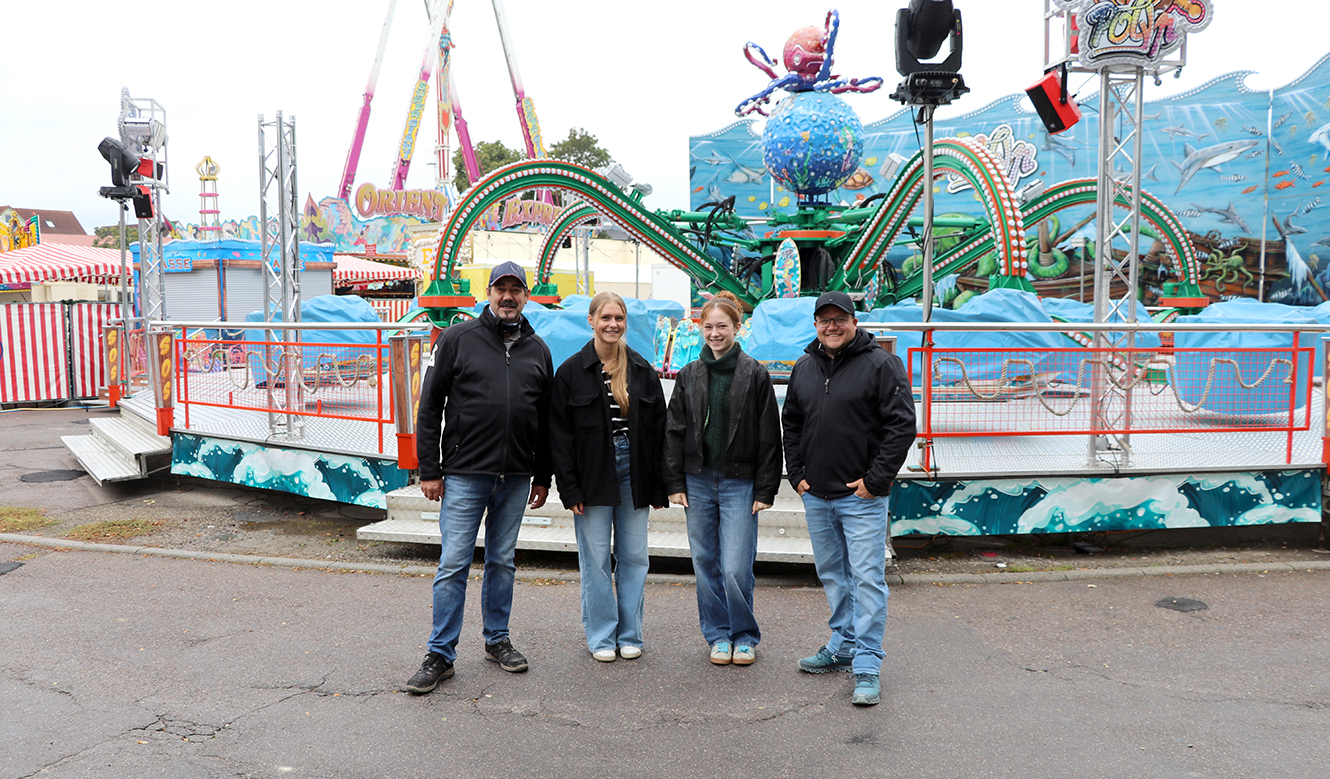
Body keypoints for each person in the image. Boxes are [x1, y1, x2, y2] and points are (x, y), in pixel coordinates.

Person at [404, 261, 553, 695]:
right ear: (487, 293)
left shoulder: (538, 349)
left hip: (516, 477)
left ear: (526, 296)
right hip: (466, 474)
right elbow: (429, 407)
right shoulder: (457, 339)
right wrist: (428, 469)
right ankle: (440, 654)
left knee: (502, 561)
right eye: (500, 288)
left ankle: (497, 639)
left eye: (516, 289)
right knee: (453, 564)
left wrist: (541, 475)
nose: (508, 296)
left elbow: (544, 420)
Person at [782, 290, 916, 706]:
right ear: (816, 324)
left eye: (840, 319)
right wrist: (798, 475)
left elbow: (902, 427)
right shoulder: (805, 366)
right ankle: (843, 645)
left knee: (868, 579)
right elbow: (792, 424)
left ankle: (868, 664)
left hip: (861, 497)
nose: (832, 326)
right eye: (825, 320)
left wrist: (875, 482)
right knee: (834, 575)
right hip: (817, 496)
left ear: (854, 322)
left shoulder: (881, 364)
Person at [549, 291, 668, 662]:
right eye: (605, 318)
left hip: (633, 473)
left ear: (625, 323)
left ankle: (630, 634)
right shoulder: (570, 372)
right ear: (591, 321)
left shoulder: (643, 371)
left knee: (634, 557)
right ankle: (602, 635)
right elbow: (559, 437)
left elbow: (660, 431)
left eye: (618, 318)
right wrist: (569, 488)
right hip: (591, 475)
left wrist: (659, 484)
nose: (612, 324)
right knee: (596, 560)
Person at [664, 291, 781, 667]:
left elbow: (768, 434)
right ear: (701, 329)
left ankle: (744, 635)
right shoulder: (690, 374)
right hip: (697, 480)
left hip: (739, 481)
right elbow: (674, 430)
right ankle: (717, 634)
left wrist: (765, 488)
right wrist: (674, 482)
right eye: (709, 327)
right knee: (704, 561)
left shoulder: (755, 374)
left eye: (723, 326)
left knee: (735, 565)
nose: (715, 333)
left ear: (737, 327)